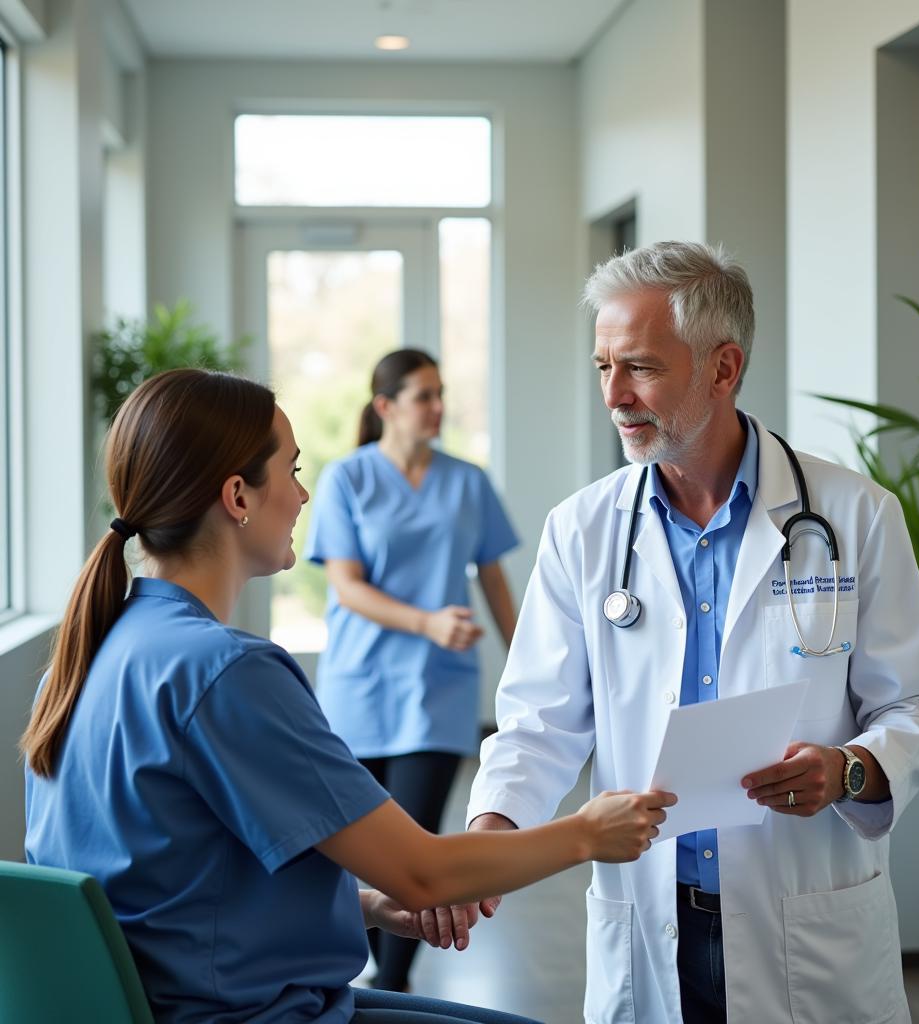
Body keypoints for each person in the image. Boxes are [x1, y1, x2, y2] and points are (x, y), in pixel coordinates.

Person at [21, 368, 675, 1024]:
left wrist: (368, 905)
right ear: (238, 497)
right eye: (292, 470)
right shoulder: (225, 673)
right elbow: (425, 874)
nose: (303, 496)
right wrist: (589, 834)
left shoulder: (82, 661)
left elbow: (170, 888)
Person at [466, 242, 919, 1024]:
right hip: (650, 916)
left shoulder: (856, 516)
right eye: (603, 367)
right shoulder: (583, 530)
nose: (615, 395)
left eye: (641, 367)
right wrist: (485, 846)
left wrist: (850, 769)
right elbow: (536, 726)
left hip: (804, 919)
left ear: (723, 368)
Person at [305, 349, 519, 992]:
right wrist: (427, 622)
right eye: (423, 395)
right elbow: (345, 587)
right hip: (359, 689)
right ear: (385, 407)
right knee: (355, 848)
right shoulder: (348, 478)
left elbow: (495, 579)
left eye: (440, 394)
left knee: (417, 852)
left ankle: (391, 984)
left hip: (438, 692)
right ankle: (355, 976)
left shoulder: (467, 480)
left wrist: (527, 665)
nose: (437, 407)